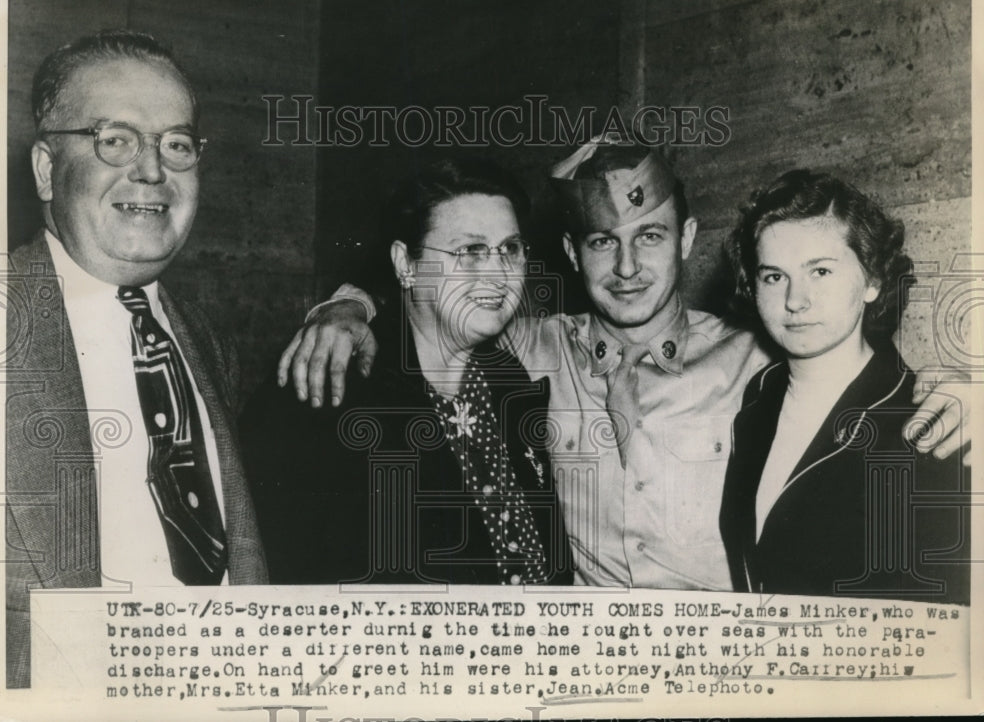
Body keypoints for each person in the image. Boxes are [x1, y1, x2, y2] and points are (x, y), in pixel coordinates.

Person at [278, 138, 969, 590]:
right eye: (604, 242)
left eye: (652, 237)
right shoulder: (523, 350)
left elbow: (855, 370)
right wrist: (349, 306)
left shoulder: (758, 358)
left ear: (688, 240)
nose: (630, 267)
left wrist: (962, 392)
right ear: (574, 256)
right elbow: (441, 306)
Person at [4, 31, 267, 689]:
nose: (152, 170)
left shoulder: (208, 342)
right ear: (45, 168)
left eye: (176, 144)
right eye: (115, 140)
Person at [242, 158, 573, 585]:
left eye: (510, 248)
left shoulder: (510, 378)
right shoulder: (328, 382)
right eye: (470, 251)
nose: (498, 273)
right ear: (406, 263)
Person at [719, 170, 970, 602]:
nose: (795, 300)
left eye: (820, 271)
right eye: (773, 277)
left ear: (872, 280)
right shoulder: (759, 398)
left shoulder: (931, 422)